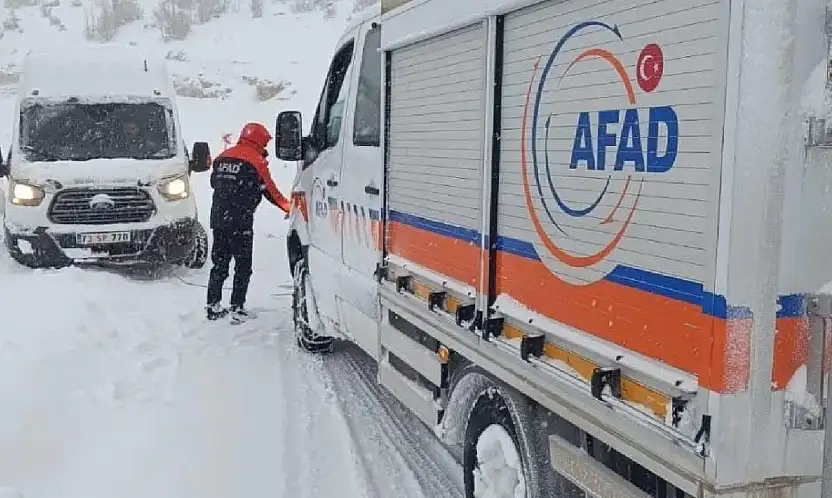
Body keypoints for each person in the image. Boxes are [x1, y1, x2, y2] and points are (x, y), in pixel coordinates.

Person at [206, 121, 291, 322]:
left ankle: (213, 305)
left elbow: (213, 183)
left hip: (218, 219)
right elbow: (270, 191)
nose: (265, 147)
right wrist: (289, 207)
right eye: (264, 143)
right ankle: (237, 306)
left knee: (219, 264)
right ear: (258, 140)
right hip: (240, 221)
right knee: (243, 266)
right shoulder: (255, 161)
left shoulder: (221, 159)